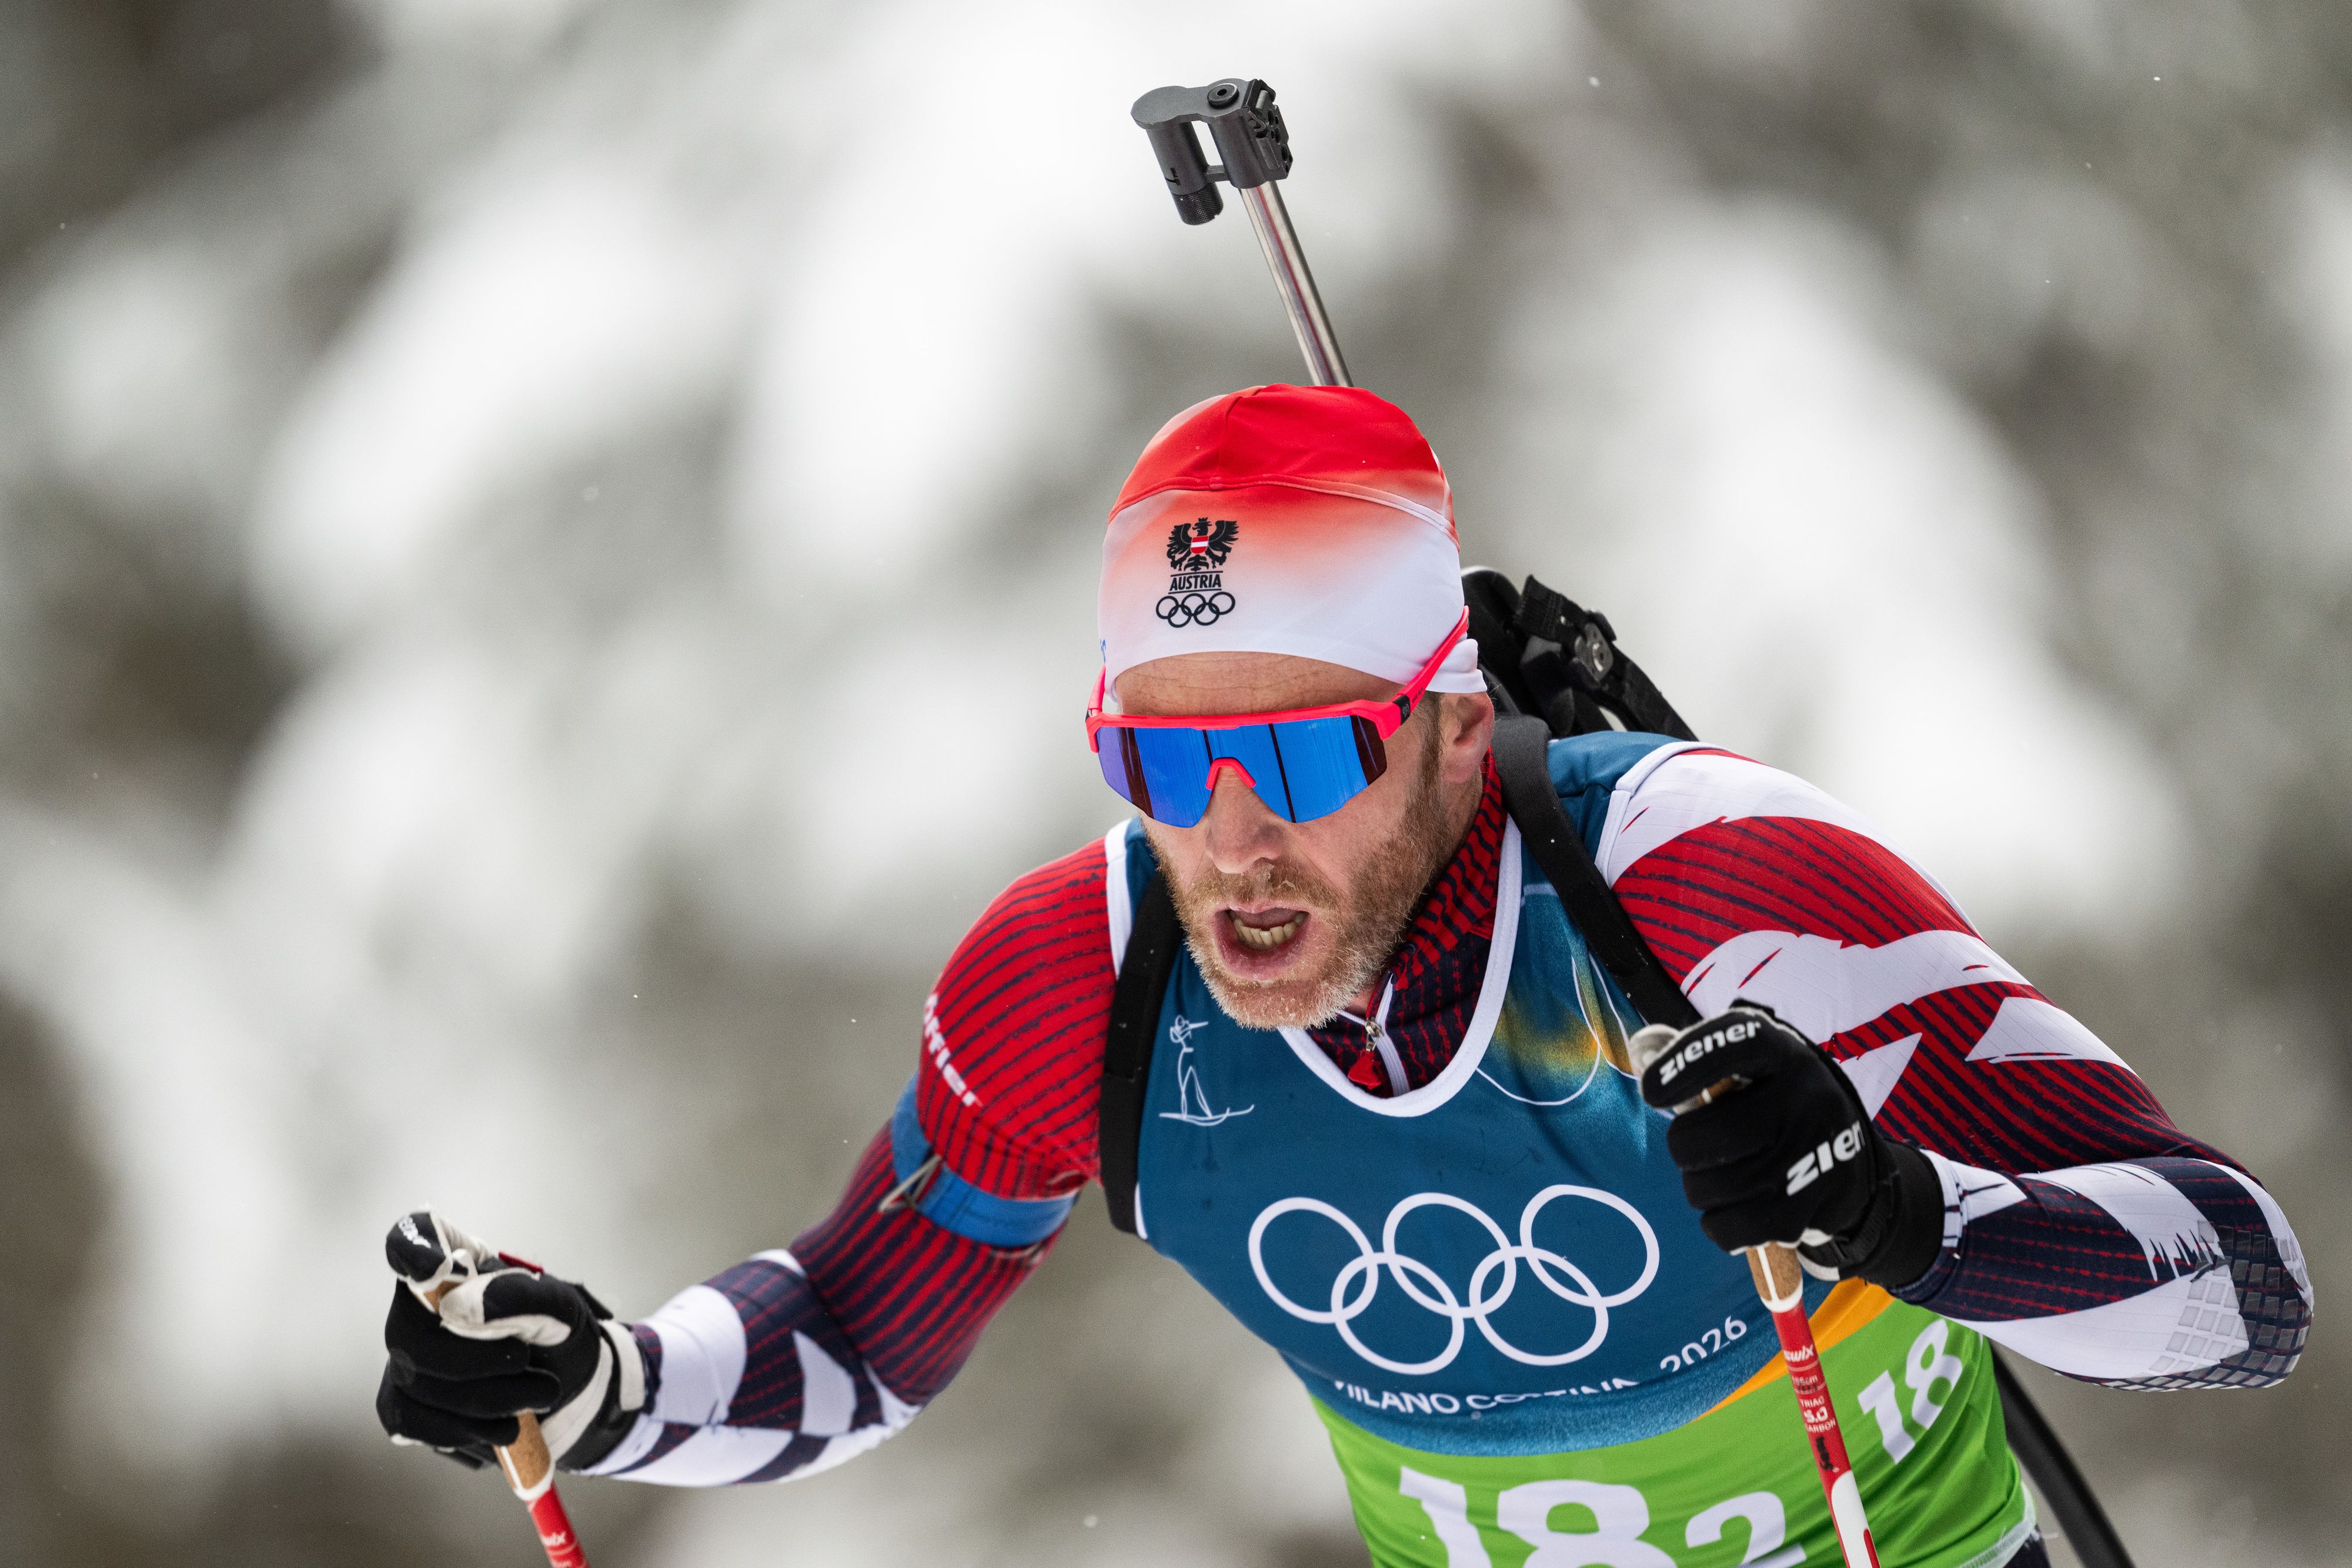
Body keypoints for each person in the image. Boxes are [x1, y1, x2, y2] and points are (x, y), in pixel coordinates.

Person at [378, 386, 2311, 1566]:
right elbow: (857, 1328)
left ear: (1458, 729)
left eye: (1300, 755)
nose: (1232, 840)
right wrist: (607, 1379)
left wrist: (1905, 1212)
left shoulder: (1717, 895)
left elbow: (2243, 1284)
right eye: (1161, 760)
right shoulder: (1085, 983)